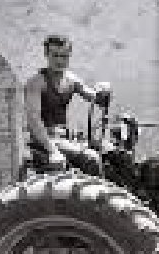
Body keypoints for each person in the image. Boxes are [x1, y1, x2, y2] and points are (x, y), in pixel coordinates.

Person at [24, 34, 108, 175]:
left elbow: (93, 97)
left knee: (109, 153)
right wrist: (53, 150)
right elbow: (34, 121)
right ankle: (98, 196)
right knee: (91, 158)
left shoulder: (71, 80)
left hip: (65, 139)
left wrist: (103, 92)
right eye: (55, 55)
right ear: (46, 54)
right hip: (43, 140)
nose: (59, 61)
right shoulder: (36, 83)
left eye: (64, 56)